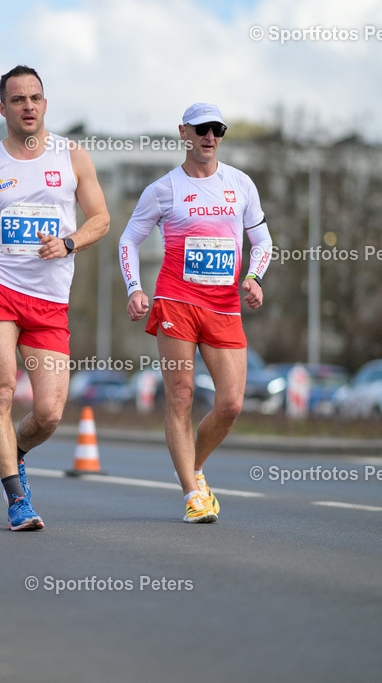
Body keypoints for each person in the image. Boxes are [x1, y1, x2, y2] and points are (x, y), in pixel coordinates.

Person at [0, 65, 110, 530]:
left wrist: (70, 241)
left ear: (46, 103)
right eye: (18, 100)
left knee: (50, 413)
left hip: (50, 300)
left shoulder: (73, 157)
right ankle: (17, 498)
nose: (28, 106)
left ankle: (13, 454)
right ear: (3, 109)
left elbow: (101, 218)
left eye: (35, 97)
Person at [119, 103, 272, 523]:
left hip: (223, 305)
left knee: (232, 403)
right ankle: (192, 493)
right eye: (202, 129)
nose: (210, 137)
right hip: (176, 302)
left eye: (217, 130)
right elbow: (128, 241)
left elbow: (262, 243)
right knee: (181, 396)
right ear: (184, 132)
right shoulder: (163, 189)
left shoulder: (240, 184)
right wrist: (135, 288)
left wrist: (254, 278)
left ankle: (194, 468)